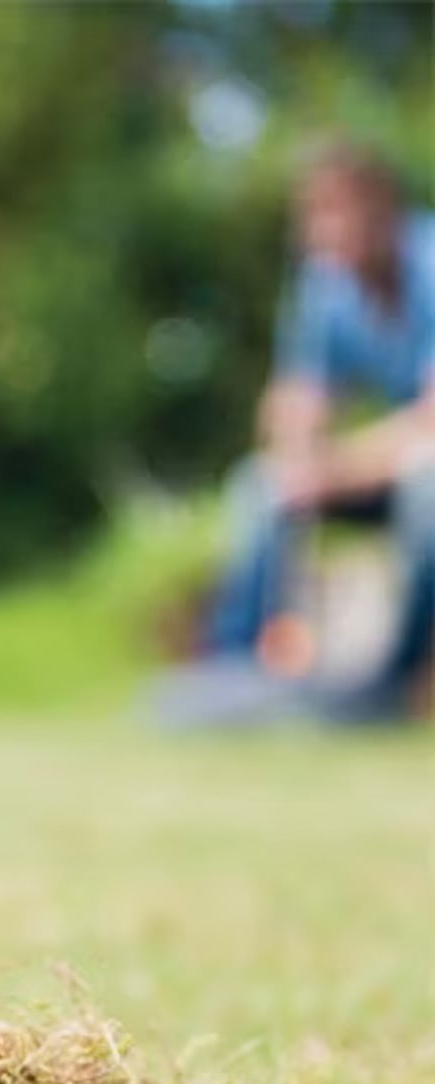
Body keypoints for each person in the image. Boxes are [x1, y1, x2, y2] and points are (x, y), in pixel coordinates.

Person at [162, 138, 435, 725]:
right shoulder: (327, 284)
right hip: (387, 464)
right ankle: (234, 669)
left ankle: (398, 682)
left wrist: (335, 469)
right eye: (312, 215)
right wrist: (298, 457)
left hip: (420, 468)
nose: (320, 231)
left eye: (336, 211)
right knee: (261, 485)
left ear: (383, 207)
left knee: (427, 491)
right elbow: (298, 396)